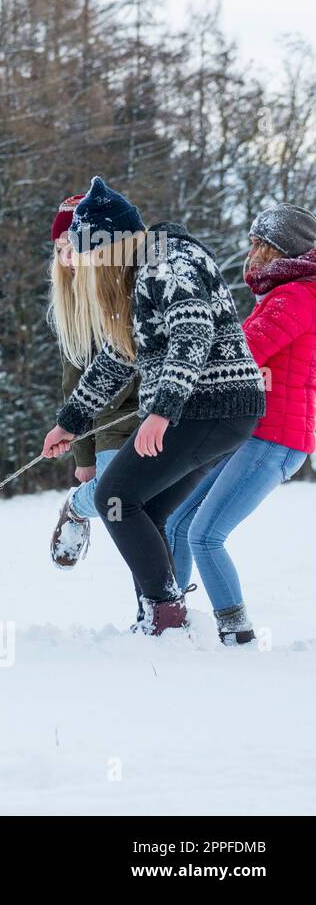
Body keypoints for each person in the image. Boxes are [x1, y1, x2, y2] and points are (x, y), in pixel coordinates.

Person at [41, 176, 266, 635]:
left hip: (211, 407)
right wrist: (70, 422)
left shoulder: (167, 263)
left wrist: (162, 410)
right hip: (209, 411)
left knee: (115, 496)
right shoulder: (139, 275)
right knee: (148, 507)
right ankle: (166, 615)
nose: (88, 266)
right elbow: (119, 357)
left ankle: (165, 615)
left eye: (90, 254)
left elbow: (193, 334)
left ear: (109, 244)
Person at [164, 204, 316, 644]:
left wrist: (182, 364)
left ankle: (237, 634)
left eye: (256, 243)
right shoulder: (285, 294)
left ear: (276, 249)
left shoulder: (294, 297)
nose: (249, 252)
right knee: (177, 523)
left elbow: (243, 355)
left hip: (274, 439)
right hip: (254, 434)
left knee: (206, 535)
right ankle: (167, 617)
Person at [45, 193, 141, 577]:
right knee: (115, 500)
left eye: (72, 246)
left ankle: (164, 605)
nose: (66, 257)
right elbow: (75, 387)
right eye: (58, 249)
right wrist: (82, 457)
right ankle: (78, 508)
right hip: (110, 425)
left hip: (156, 412)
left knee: (156, 512)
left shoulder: (123, 286)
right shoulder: (73, 307)